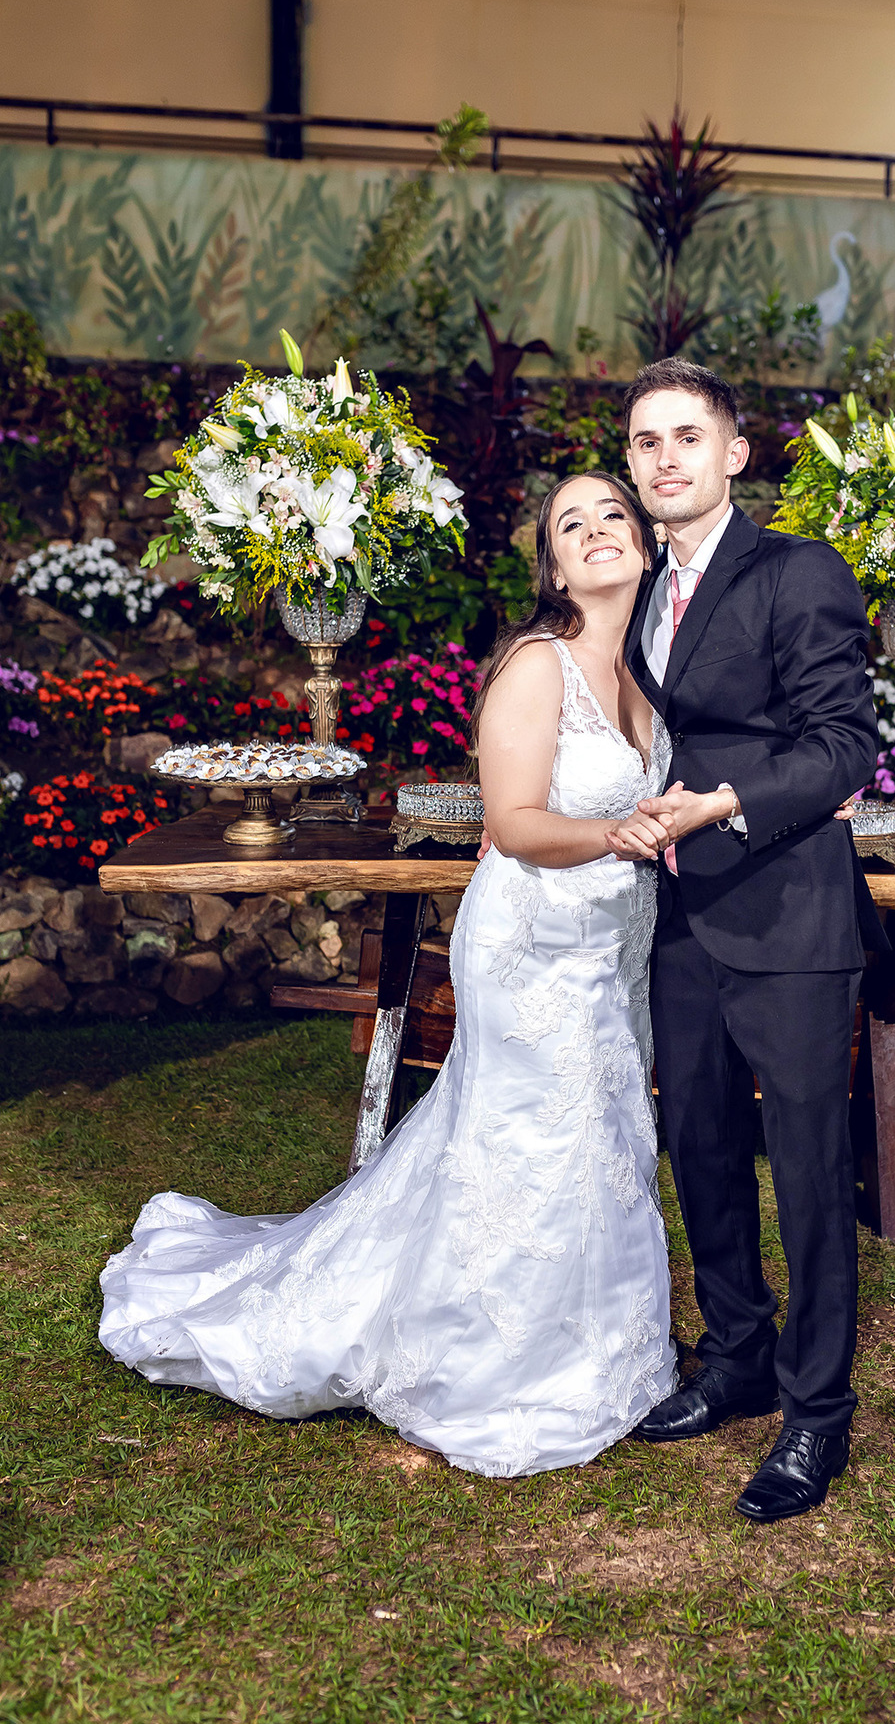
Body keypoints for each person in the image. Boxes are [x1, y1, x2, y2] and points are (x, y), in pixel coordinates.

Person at [98, 472, 736, 1479]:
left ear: (647, 543)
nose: (597, 531)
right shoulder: (535, 665)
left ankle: (597, 1350)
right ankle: (492, 1362)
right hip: (531, 947)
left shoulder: (652, 670)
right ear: (555, 568)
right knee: (529, 1138)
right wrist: (616, 831)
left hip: (610, 947)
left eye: (613, 514)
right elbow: (514, 824)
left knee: (604, 1132)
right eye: (571, 525)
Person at [609, 358, 885, 1523]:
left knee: (810, 1173)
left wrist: (725, 804)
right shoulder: (633, 589)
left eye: (688, 436)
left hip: (790, 914)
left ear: (734, 454)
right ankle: (736, 1360)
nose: (665, 458)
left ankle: (817, 1413)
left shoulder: (796, 571)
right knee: (701, 1145)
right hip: (677, 916)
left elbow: (847, 744)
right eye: (645, 441)